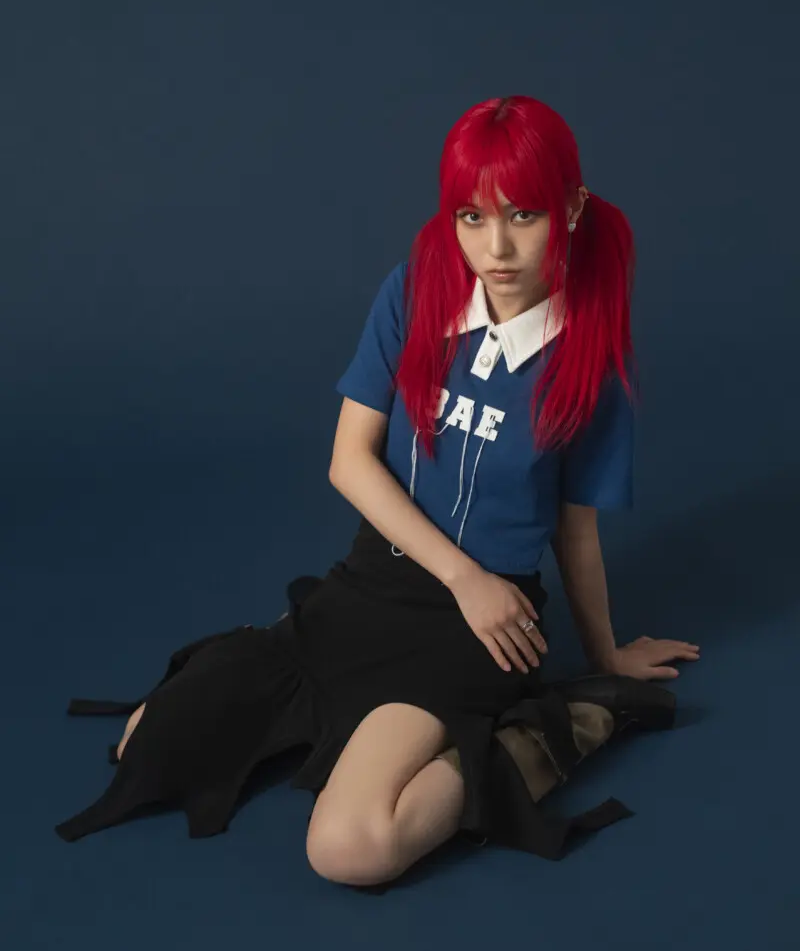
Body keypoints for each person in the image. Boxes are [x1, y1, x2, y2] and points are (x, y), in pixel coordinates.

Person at [55, 95, 699, 887]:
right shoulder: (416, 292)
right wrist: (457, 573)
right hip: (374, 583)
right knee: (146, 746)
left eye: (523, 215)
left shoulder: (590, 362)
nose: (496, 247)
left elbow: (575, 531)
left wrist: (605, 656)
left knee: (350, 849)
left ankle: (560, 726)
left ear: (570, 208)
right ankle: (297, 668)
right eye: (471, 216)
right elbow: (349, 462)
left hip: (482, 625)